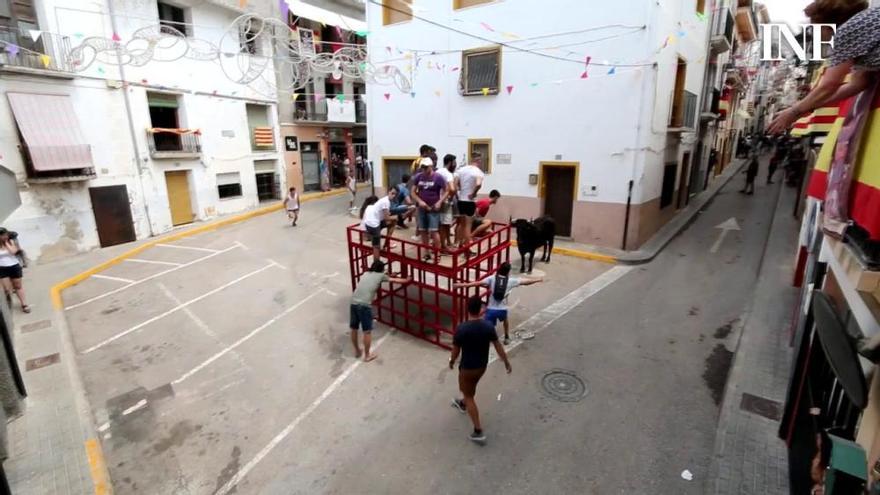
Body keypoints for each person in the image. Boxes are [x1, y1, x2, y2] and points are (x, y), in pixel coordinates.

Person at [768, 1, 875, 135]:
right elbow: (858, 83)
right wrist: (805, 108)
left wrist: (794, 112)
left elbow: (829, 85)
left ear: (827, 25)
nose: (813, 33)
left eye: (814, 27)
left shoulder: (847, 32)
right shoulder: (865, 25)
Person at [448, 295, 511, 445]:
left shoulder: (461, 329)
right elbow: (498, 346)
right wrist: (506, 362)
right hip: (482, 366)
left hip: (468, 368)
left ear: (467, 309)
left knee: (469, 394)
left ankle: (478, 431)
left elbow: (455, 351)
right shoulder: (488, 327)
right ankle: (463, 403)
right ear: (481, 310)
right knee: (470, 389)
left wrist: (451, 361)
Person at [454, 261, 542, 344]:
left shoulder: (492, 278)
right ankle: (506, 337)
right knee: (505, 320)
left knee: (488, 325)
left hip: (491, 309)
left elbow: (477, 283)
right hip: (502, 309)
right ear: (508, 272)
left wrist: (461, 285)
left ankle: (488, 338)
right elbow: (526, 282)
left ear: (499, 269)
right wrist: (537, 280)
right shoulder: (511, 281)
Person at [350, 260, 410, 362]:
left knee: (354, 328)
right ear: (382, 269)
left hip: (353, 302)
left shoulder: (366, 273)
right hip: (364, 305)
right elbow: (395, 280)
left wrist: (390, 275)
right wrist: (407, 279)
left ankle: (357, 351)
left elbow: (381, 275)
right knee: (367, 331)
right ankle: (367, 355)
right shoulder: (381, 276)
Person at [411, 157, 449, 262]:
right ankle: (426, 253)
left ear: (431, 167)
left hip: (433, 208)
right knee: (423, 231)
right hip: (422, 208)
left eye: (425, 167)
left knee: (434, 231)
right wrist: (420, 201)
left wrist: (439, 202)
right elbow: (413, 192)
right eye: (422, 167)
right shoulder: (419, 177)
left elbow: (447, 190)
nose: (423, 169)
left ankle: (437, 253)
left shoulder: (438, 177)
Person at [454, 155, 485, 249]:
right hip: (469, 201)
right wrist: (473, 193)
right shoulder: (478, 172)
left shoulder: (461, 170)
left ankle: (457, 243)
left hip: (461, 200)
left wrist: (458, 192)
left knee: (461, 224)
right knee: (468, 225)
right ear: (478, 161)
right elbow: (478, 184)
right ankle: (468, 247)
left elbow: (455, 184)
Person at [360, 189, 399, 261]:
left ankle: (386, 244)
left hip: (369, 227)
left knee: (392, 222)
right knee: (376, 247)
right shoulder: (385, 202)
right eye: (392, 193)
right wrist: (395, 217)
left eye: (395, 194)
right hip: (372, 226)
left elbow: (384, 216)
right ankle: (376, 263)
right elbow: (387, 217)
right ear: (388, 192)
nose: (394, 196)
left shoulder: (369, 208)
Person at [0, 228, 29, 313]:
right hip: (2, 268)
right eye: (3, 235)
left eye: (6, 235)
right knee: (6, 288)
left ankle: (24, 304)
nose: (5, 236)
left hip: (14, 266)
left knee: (18, 286)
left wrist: (5, 243)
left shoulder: (11, 241)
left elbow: (13, 252)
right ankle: (10, 295)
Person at [437, 154, 457, 253]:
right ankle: (443, 247)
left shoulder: (437, 171)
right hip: (445, 202)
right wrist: (450, 197)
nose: (455, 164)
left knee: (443, 224)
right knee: (444, 224)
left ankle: (447, 242)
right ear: (450, 162)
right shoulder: (448, 174)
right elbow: (452, 189)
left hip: (436, 201)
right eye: (454, 162)